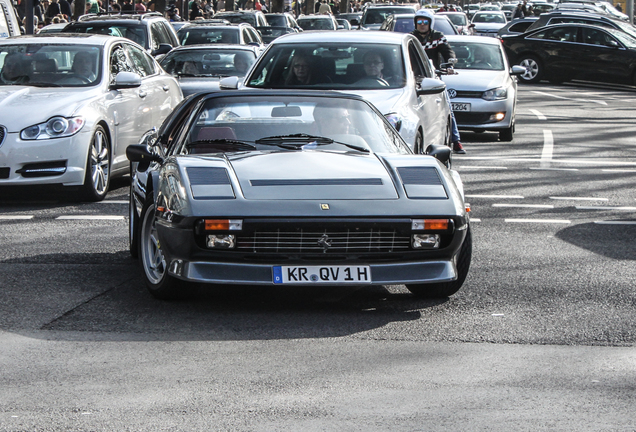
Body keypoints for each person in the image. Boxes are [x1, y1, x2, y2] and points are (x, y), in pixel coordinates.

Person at [411, 8, 465, 154]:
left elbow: (448, 52)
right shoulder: (411, 38)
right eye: (419, 22)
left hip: (433, 78)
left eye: (425, 22)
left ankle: (456, 141)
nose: (422, 25)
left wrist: (450, 64)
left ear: (430, 23)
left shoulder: (438, 37)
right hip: (413, 79)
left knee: (447, 107)